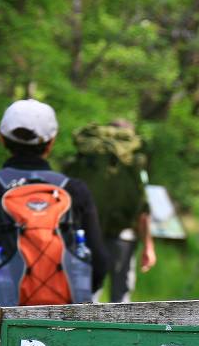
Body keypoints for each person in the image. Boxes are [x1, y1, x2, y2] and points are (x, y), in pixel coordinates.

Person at [0, 99, 108, 305]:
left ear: (2, 139)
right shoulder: (74, 191)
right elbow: (98, 266)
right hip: (63, 320)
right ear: (51, 142)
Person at [62, 119, 155, 302]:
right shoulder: (131, 162)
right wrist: (148, 245)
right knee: (121, 296)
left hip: (86, 234)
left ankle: (88, 329)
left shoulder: (89, 156)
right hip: (123, 236)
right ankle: (120, 330)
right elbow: (142, 208)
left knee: (88, 294)